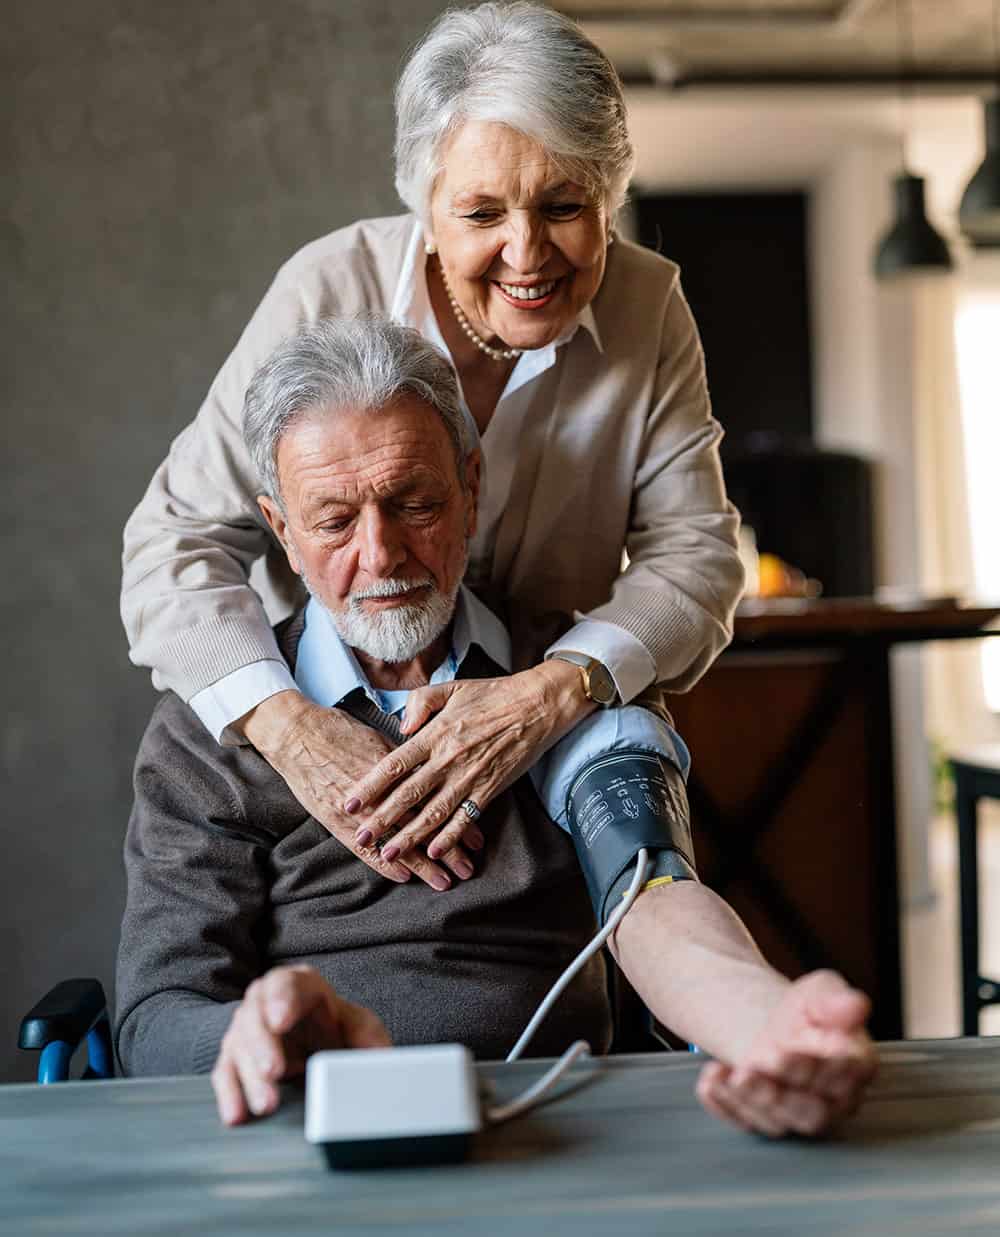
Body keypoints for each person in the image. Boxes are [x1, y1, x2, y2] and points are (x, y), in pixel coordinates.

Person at [115, 318, 876, 1139]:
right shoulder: (209, 730)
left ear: (471, 490)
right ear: (282, 530)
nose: (382, 554)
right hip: (306, 1125)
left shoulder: (567, 673)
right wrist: (258, 1037)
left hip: (558, 1121)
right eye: (334, 520)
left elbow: (652, 897)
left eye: (415, 503)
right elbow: (155, 1016)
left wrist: (761, 1019)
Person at [120, 2, 745, 888]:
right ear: (425, 203)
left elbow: (700, 557)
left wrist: (554, 690)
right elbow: (170, 544)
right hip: (338, 748)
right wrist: (290, 726)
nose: (526, 253)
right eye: (482, 211)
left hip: (547, 751)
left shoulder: (651, 308)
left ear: (611, 197)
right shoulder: (326, 288)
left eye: (566, 205)